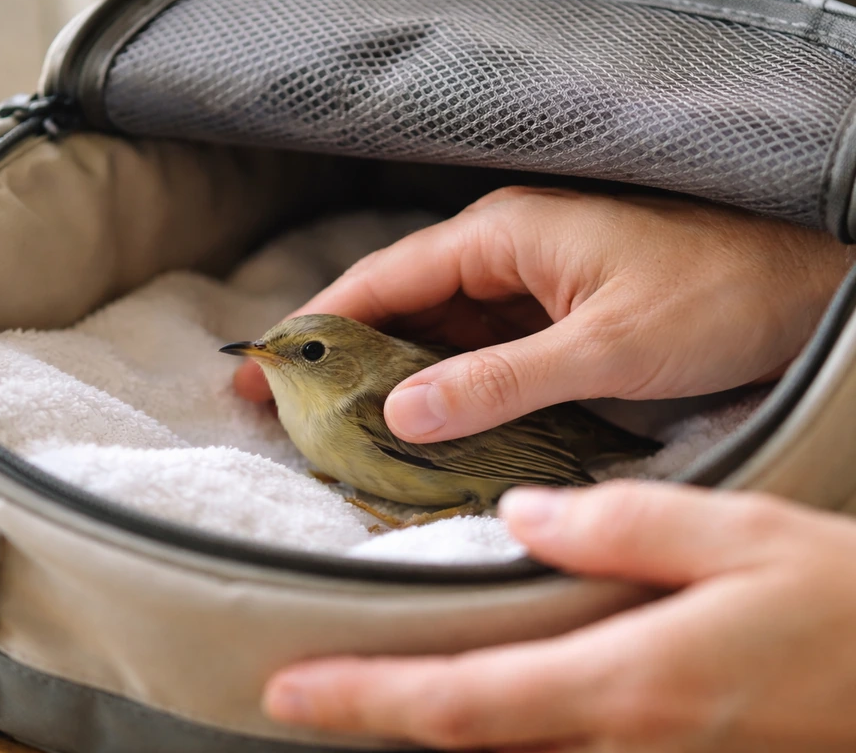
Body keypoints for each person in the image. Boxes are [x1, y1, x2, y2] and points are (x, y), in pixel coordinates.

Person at [233, 187, 856, 752]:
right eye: (268, 349)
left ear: (349, 364)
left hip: (529, 446)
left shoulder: (361, 406)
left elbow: (495, 459)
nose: (271, 358)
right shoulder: (310, 410)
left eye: (309, 354)